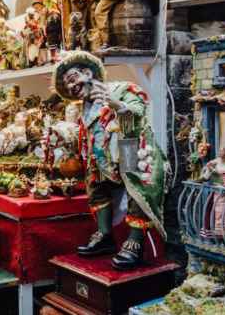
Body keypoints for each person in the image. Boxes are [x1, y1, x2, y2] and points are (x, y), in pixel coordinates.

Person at [52, 50, 168, 270]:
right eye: (67, 85)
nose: (71, 87)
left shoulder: (120, 88)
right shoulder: (83, 109)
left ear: (87, 72)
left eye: (72, 78)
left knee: (136, 185)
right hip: (101, 156)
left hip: (129, 146)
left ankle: (135, 239)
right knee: (95, 185)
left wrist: (117, 104)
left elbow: (138, 110)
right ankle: (105, 235)